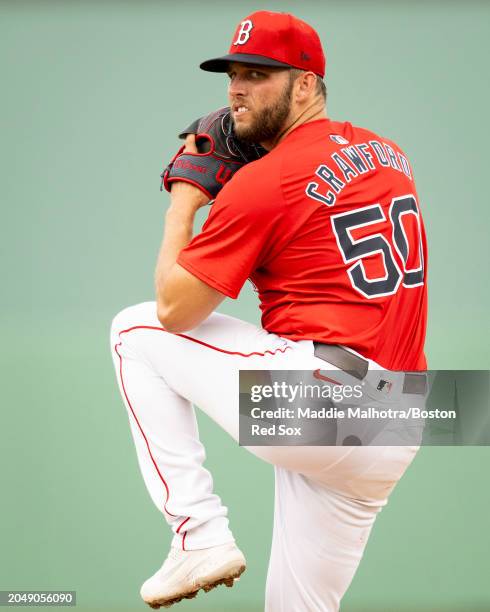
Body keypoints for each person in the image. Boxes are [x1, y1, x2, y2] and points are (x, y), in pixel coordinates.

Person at [110, 10, 428, 611]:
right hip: (405, 417)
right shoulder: (389, 155)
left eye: (258, 74)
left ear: (305, 84)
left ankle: (197, 535)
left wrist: (184, 201)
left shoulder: (265, 183)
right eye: (232, 74)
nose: (236, 89)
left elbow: (174, 311)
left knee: (133, 330)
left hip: (328, 401)